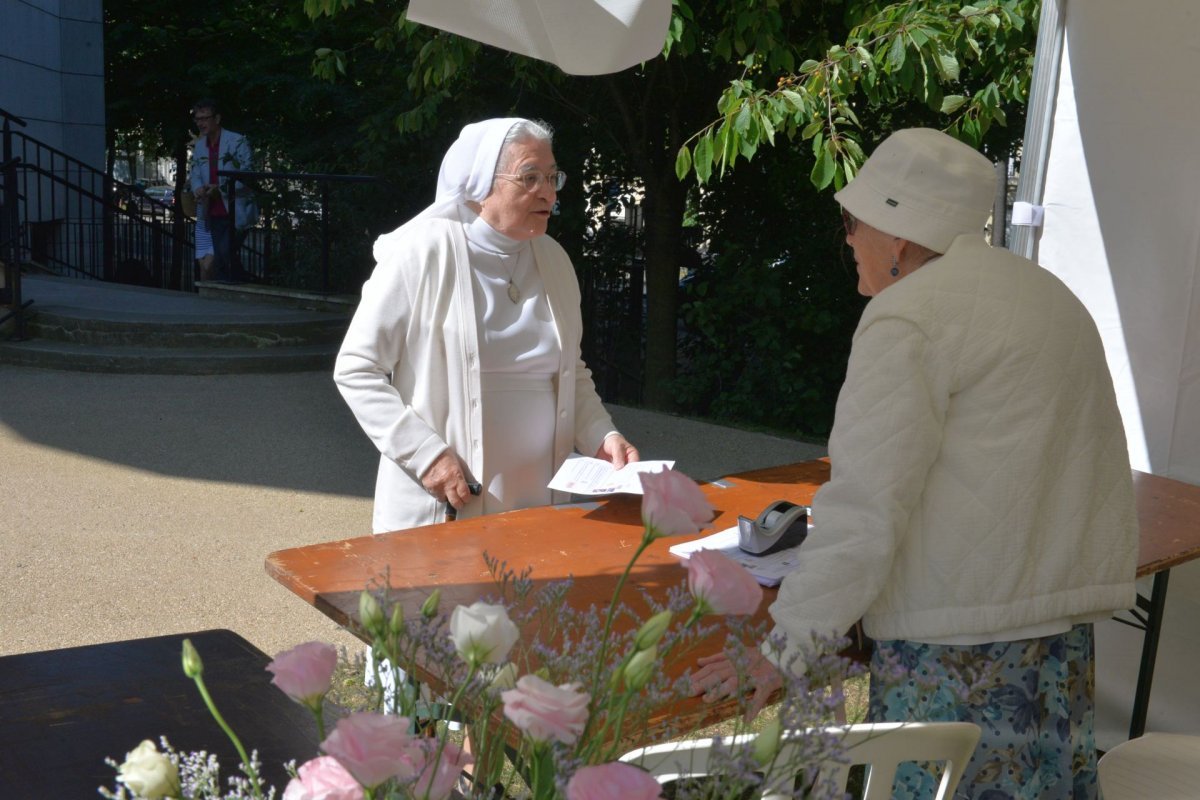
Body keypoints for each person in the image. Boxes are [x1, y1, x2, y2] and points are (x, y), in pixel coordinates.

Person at [690, 128, 1139, 799]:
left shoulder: (910, 317)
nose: (846, 240)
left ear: (897, 235)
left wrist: (786, 648)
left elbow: (864, 510)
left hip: (956, 652)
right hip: (1058, 646)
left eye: (851, 222)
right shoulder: (1047, 295)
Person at [334, 117, 639, 534]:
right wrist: (426, 456)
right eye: (529, 177)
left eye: (552, 177)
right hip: (450, 498)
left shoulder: (554, 259)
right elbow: (356, 368)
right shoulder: (424, 252)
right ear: (481, 184)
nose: (547, 192)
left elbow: (571, 372)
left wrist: (603, 437)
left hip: (540, 497)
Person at [187, 99, 259, 282]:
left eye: (205, 118)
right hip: (213, 210)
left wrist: (221, 190)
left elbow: (247, 175)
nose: (201, 123)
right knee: (223, 258)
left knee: (223, 254)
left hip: (236, 209)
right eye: (197, 119)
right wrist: (197, 189)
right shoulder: (201, 145)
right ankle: (240, 288)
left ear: (217, 119)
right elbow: (195, 172)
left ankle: (240, 286)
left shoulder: (237, 141)